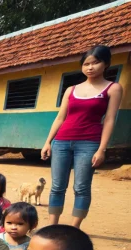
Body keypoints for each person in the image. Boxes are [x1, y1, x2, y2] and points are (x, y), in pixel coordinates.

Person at [42, 46, 123, 228]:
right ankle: (52, 227)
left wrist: (102, 149)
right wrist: (48, 142)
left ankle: (74, 228)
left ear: (106, 64)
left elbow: (110, 120)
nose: (90, 67)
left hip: (89, 143)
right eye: (86, 64)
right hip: (61, 142)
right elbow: (60, 118)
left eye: (95, 62)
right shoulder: (71, 90)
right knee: (57, 187)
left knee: (81, 188)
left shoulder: (113, 88)